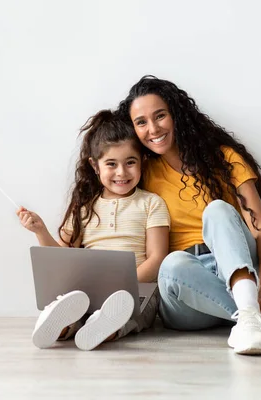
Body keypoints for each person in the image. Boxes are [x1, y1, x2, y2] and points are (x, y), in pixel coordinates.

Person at [117, 76, 261, 355]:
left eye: (160, 116)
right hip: (186, 297)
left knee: (217, 209)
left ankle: (250, 315)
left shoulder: (224, 159)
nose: (153, 129)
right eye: (141, 122)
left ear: (177, 115)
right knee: (171, 264)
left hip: (238, 273)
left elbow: (260, 230)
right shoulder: (141, 172)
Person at [17, 109, 170, 351]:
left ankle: (104, 328)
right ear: (95, 166)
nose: (122, 172)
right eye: (111, 164)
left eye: (130, 162)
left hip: (136, 291)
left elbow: (157, 258)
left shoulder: (151, 203)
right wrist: (41, 231)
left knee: (128, 310)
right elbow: (62, 259)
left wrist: (122, 286)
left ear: (142, 161)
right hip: (86, 292)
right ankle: (62, 325)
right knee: (75, 301)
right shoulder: (85, 208)